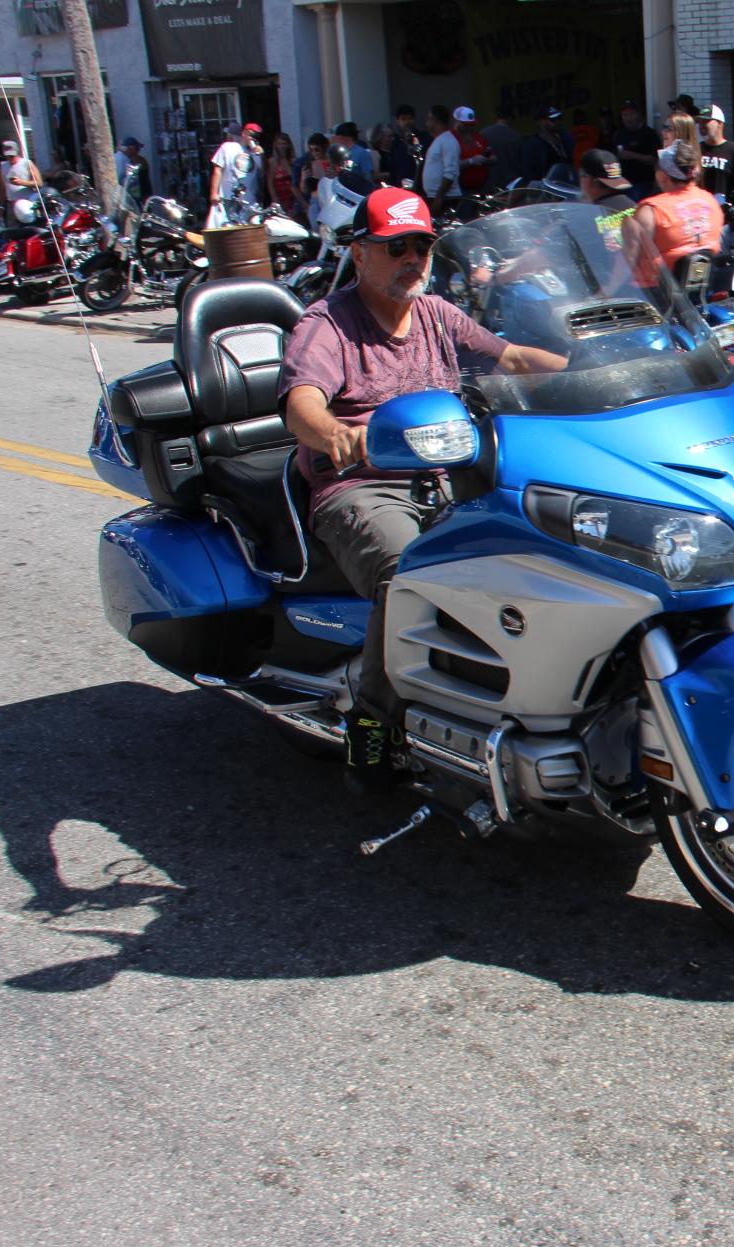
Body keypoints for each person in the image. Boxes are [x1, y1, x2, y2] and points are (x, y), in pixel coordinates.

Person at [274, 187, 567, 786]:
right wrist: (336, 434)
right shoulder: (328, 324)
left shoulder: (437, 314)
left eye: (422, 246)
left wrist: (595, 372)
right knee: (407, 573)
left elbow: (510, 358)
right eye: (396, 247)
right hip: (363, 484)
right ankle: (373, 724)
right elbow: (300, 403)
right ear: (360, 253)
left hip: (446, 472)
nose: (412, 258)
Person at [636, 141, 724, 285]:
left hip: (655, 292)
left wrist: (607, 287)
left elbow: (628, 259)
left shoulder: (652, 210)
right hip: (703, 287)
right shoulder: (711, 202)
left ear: (662, 176)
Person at [697, 103, 734, 216]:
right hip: (699, 214)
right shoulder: (695, 150)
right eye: (700, 122)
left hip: (725, 216)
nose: (701, 125)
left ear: (719, 123)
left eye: (706, 121)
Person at [207, 123, 262, 226]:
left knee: (248, 227)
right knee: (225, 226)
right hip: (227, 196)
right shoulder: (228, 147)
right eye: (250, 133)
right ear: (243, 133)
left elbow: (262, 173)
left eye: (255, 135)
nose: (252, 137)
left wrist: (260, 154)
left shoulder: (256, 153)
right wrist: (214, 193)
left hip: (249, 200)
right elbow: (218, 169)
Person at [609, 100, 662, 196]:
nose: (628, 118)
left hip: (643, 183)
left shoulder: (649, 134)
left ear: (639, 115)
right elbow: (612, 159)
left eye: (632, 114)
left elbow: (656, 161)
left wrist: (634, 156)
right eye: (625, 115)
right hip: (621, 184)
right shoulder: (619, 134)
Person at [420, 105, 460, 214]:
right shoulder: (439, 140)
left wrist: (439, 197)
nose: (427, 122)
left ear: (435, 120)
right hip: (435, 196)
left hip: (446, 198)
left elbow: (451, 172)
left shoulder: (448, 141)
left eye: (429, 118)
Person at [522, 106, 569, 188]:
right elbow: (528, 173)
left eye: (559, 118)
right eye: (552, 119)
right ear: (540, 122)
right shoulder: (532, 145)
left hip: (565, 186)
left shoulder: (563, 138)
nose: (557, 122)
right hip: (546, 190)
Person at [449, 107, 493, 196]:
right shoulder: (449, 139)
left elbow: (493, 157)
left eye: (471, 125)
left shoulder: (477, 136)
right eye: (465, 124)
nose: (469, 127)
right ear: (456, 121)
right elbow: (449, 166)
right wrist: (471, 161)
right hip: (460, 189)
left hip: (481, 188)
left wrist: (486, 159)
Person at [389, 105, 425, 191]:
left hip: (420, 187)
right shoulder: (396, 143)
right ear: (398, 121)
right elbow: (393, 168)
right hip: (400, 189)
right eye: (403, 119)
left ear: (414, 119)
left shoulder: (423, 139)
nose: (407, 122)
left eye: (410, 118)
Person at [482, 113, 523, 188]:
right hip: (511, 183)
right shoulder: (516, 136)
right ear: (510, 118)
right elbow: (520, 162)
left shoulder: (484, 133)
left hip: (489, 181)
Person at [114, 136, 150, 209]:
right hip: (126, 198)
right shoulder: (122, 160)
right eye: (137, 148)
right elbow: (120, 179)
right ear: (131, 148)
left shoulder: (121, 158)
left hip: (129, 197)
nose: (138, 151)